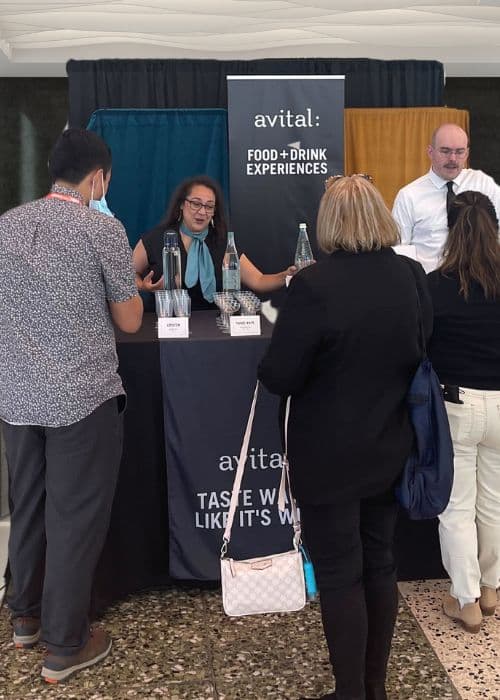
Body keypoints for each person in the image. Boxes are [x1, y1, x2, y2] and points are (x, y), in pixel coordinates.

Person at [258, 175, 432, 700]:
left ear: (330, 223)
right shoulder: (411, 275)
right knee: (380, 563)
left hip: (327, 457)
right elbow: (424, 347)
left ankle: (350, 692)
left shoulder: (313, 286)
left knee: (339, 574)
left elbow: (279, 375)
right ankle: (374, 688)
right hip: (390, 446)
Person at [0, 129, 143, 682]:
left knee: (29, 506)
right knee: (75, 517)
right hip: (81, 397)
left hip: (17, 396)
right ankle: (65, 643)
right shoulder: (101, 228)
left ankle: (25, 618)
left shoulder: (8, 224)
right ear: (99, 177)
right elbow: (130, 320)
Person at [428, 190, 500, 632]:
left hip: (457, 405)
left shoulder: (436, 285)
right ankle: (491, 589)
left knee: (457, 508)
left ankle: (466, 601)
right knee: (494, 503)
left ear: (451, 230)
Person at [132, 175, 296, 310]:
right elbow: (127, 275)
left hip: (211, 329)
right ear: (182, 204)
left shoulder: (223, 242)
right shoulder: (157, 238)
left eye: (209, 206)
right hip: (166, 326)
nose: (202, 211)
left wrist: (286, 275)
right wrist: (143, 286)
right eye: (196, 204)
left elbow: (258, 280)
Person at [392, 123, 500, 273]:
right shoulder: (409, 196)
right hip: (429, 288)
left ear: (467, 154)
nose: (452, 159)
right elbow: (399, 251)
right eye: (445, 151)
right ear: (430, 152)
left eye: (459, 152)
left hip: (481, 284)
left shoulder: (483, 184)